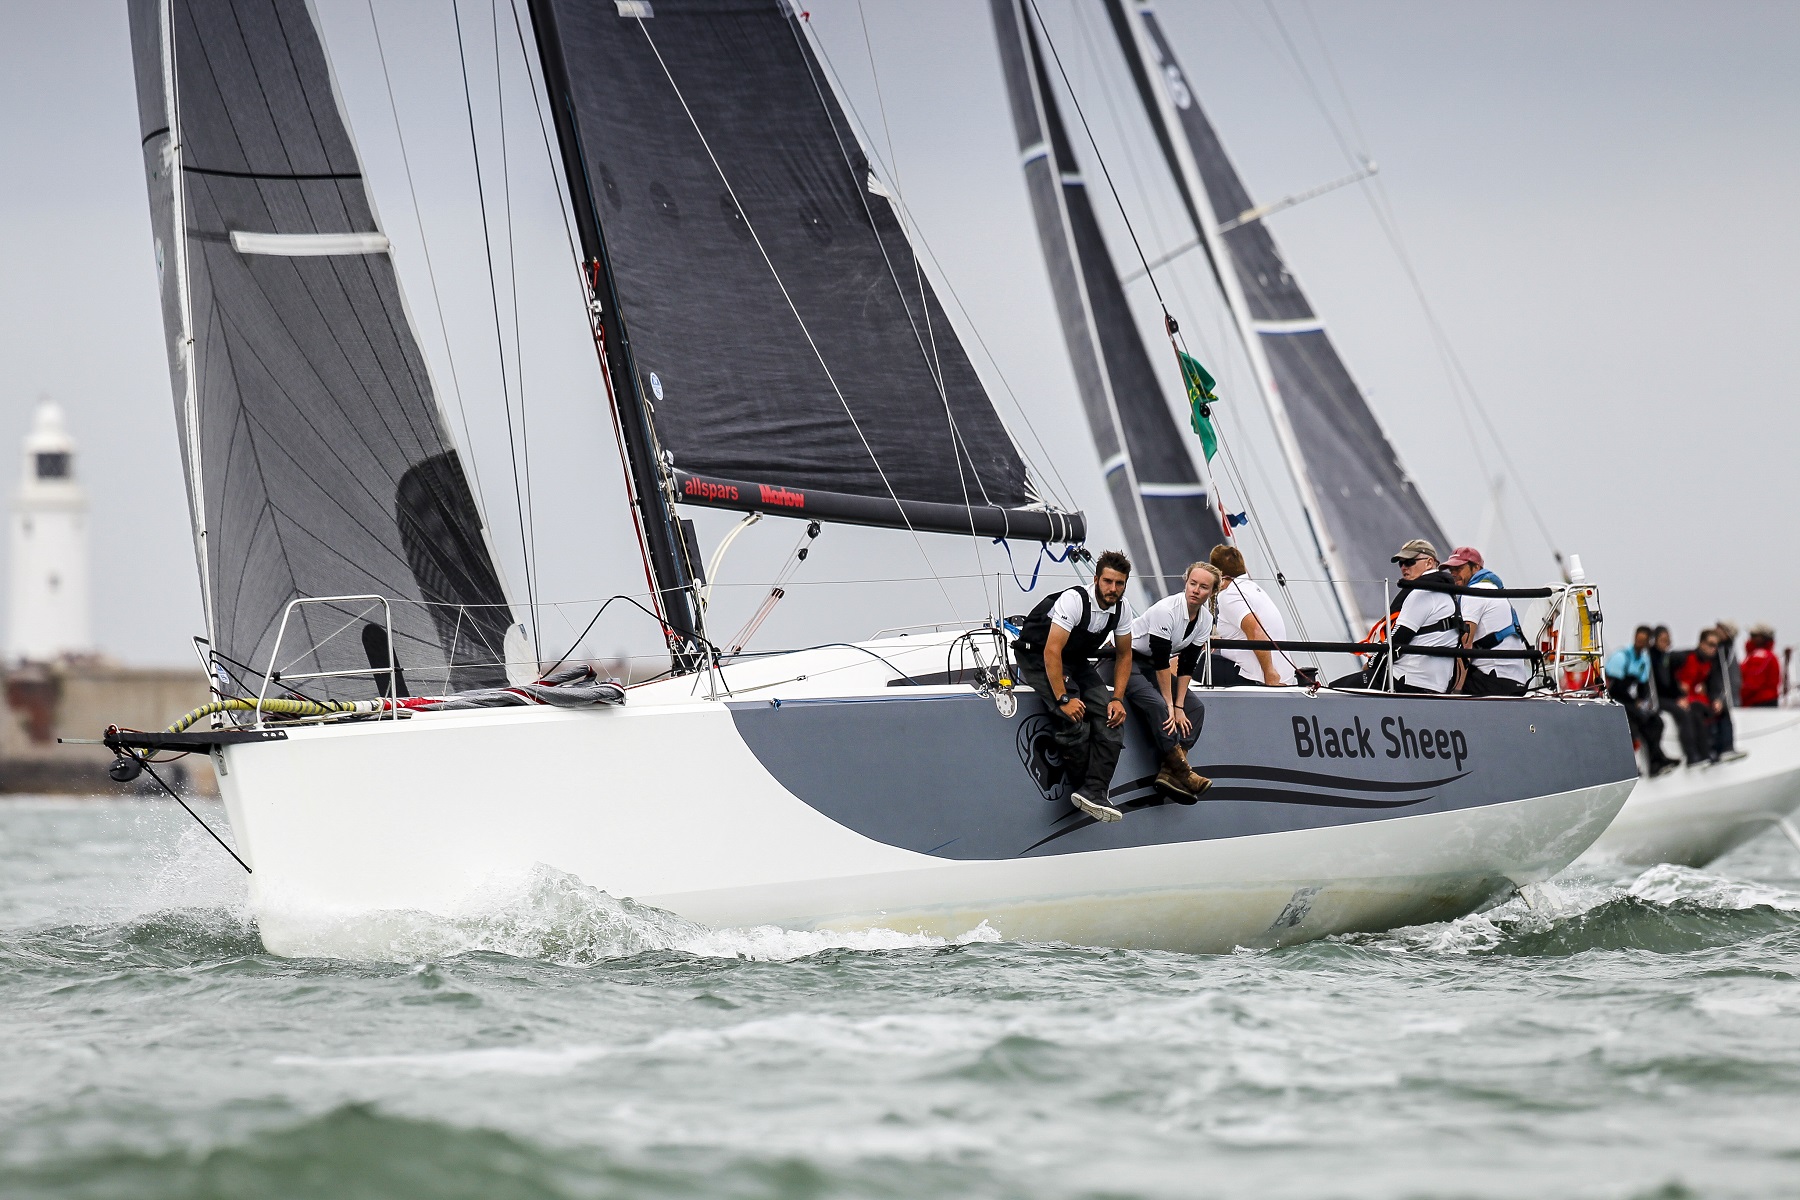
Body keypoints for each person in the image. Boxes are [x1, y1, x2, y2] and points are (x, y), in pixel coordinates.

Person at [1012, 551, 1136, 823]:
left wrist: (1117, 698)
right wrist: (1063, 698)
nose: (1112, 589)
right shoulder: (1074, 600)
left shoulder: (1122, 609)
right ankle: (1081, 786)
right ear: (1096, 579)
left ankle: (1095, 791)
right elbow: (1052, 651)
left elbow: (1125, 655)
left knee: (1111, 717)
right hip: (1038, 655)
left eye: (1119, 583)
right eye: (1107, 581)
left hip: (1075, 660)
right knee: (1074, 718)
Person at [1124, 562, 1218, 802]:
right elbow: (1161, 662)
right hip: (1126, 659)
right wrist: (1170, 705)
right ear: (1186, 583)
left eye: (1203, 587)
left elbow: (1187, 664)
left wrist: (1180, 705)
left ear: (1211, 592)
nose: (1196, 590)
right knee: (1158, 706)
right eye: (1192, 583)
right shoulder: (1165, 610)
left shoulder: (1205, 620)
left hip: (1152, 665)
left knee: (1195, 707)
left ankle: (1169, 772)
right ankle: (1184, 774)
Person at [1441, 546, 1531, 697]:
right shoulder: (1495, 591)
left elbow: (1465, 645)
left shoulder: (1475, 592)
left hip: (1492, 679)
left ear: (1476, 568)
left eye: (1459, 568)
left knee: (1437, 683)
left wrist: (1456, 692)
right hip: (1516, 681)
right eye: (1451, 570)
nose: (1453, 574)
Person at [1209, 545, 1296, 687]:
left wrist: (1270, 673)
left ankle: (1173, 705)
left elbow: (1256, 630)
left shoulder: (1230, 594)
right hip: (1285, 675)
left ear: (1219, 576)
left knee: (1184, 662)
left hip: (1254, 676)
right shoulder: (1254, 590)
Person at [1387, 539, 1461, 693]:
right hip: (1437, 685)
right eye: (1401, 563)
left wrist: (1371, 664)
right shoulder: (1448, 595)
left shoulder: (1421, 592)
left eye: (1409, 562)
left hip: (1407, 679)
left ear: (1429, 563)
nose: (1404, 568)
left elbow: (1398, 637)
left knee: (1337, 689)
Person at [1605, 625, 1679, 774]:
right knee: (1635, 724)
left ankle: (1655, 761)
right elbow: (1615, 687)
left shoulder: (1644, 660)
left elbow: (1642, 686)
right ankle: (1633, 765)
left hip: (1631, 701)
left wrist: (1642, 702)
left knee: (1656, 721)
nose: (1640, 643)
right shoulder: (1621, 657)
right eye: (1638, 639)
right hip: (1616, 700)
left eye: (1644, 640)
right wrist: (1636, 703)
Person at [1673, 629, 1730, 764]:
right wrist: (1677, 692)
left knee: (1721, 710)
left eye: (1716, 646)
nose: (1713, 649)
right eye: (1710, 644)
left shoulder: (1711, 663)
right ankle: (1700, 754)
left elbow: (1713, 685)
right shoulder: (1684, 657)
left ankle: (1726, 749)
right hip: (1683, 699)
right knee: (1697, 713)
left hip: (1697, 698)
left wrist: (1717, 700)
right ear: (1701, 643)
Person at [1742, 624, 1781, 707]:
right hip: (1762, 701)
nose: (1751, 638)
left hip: (1759, 702)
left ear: (1763, 638)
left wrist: (1739, 698)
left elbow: (1752, 683)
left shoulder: (1760, 656)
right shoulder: (1766, 655)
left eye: (1754, 635)